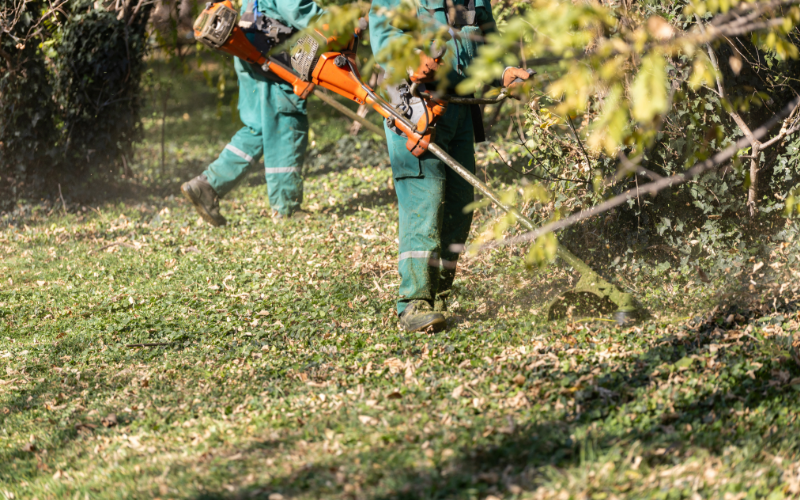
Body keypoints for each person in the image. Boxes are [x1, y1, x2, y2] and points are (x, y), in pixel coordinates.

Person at [369, 0, 531, 332]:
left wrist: (505, 72)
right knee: (424, 199)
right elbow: (384, 34)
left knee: (460, 204)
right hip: (414, 104)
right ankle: (414, 301)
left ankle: (439, 295)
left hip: (458, 109)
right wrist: (411, 62)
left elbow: (488, 38)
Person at [181, 0, 324, 226]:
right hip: (271, 56)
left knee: (258, 126)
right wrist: (337, 25)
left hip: (247, 47)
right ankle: (286, 208)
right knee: (285, 123)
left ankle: (207, 185)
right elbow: (298, 10)